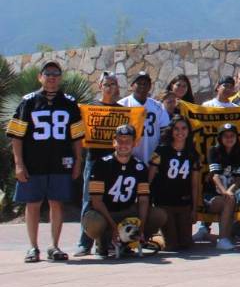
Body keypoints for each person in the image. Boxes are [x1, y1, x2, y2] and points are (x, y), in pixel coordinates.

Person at [7, 60, 85, 262]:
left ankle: (55, 245)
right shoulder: (28, 102)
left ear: (60, 78)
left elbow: (77, 136)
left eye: (56, 73)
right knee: (32, 203)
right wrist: (18, 163)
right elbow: (16, 135)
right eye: (47, 73)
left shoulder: (69, 103)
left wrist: (78, 161)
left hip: (60, 161)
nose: (51, 77)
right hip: (34, 162)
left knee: (56, 202)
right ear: (40, 77)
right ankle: (33, 247)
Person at [82, 125, 166, 258]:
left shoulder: (139, 167)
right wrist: (114, 226)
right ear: (114, 142)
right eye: (120, 140)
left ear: (135, 143)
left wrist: (142, 227)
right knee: (92, 220)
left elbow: (143, 199)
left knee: (158, 215)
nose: (123, 144)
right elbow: (96, 201)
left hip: (127, 211)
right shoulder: (101, 164)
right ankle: (103, 243)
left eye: (128, 141)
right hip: (106, 212)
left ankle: (131, 241)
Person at [75, 71, 122, 256]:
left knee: (109, 201)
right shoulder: (90, 108)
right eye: (107, 84)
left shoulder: (122, 110)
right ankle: (84, 243)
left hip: (114, 162)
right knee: (89, 201)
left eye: (113, 84)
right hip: (94, 161)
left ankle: (107, 242)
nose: (110, 88)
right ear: (100, 86)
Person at [148, 115, 201, 251]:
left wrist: (194, 209)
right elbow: (149, 178)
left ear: (189, 131)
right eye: (176, 128)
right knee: (172, 246)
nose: (180, 132)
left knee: (186, 244)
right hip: (164, 203)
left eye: (184, 128)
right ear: (171, 130)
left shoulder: (193, 153)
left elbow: (195, 184)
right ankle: (152, 238)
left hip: (184, 203)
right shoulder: (160, 151)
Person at [204, 123, 240, 250]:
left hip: (229, 195)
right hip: (212, 196)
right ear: (220, 138)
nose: (229, 139)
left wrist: (229, 191)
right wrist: (225, 192)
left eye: (232, 136)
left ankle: (223, 236)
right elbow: (215, 176)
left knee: (231, 199)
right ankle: (223, 239)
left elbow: (239, 178)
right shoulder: (214, 151)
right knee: (229, 200)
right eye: (226, 136)